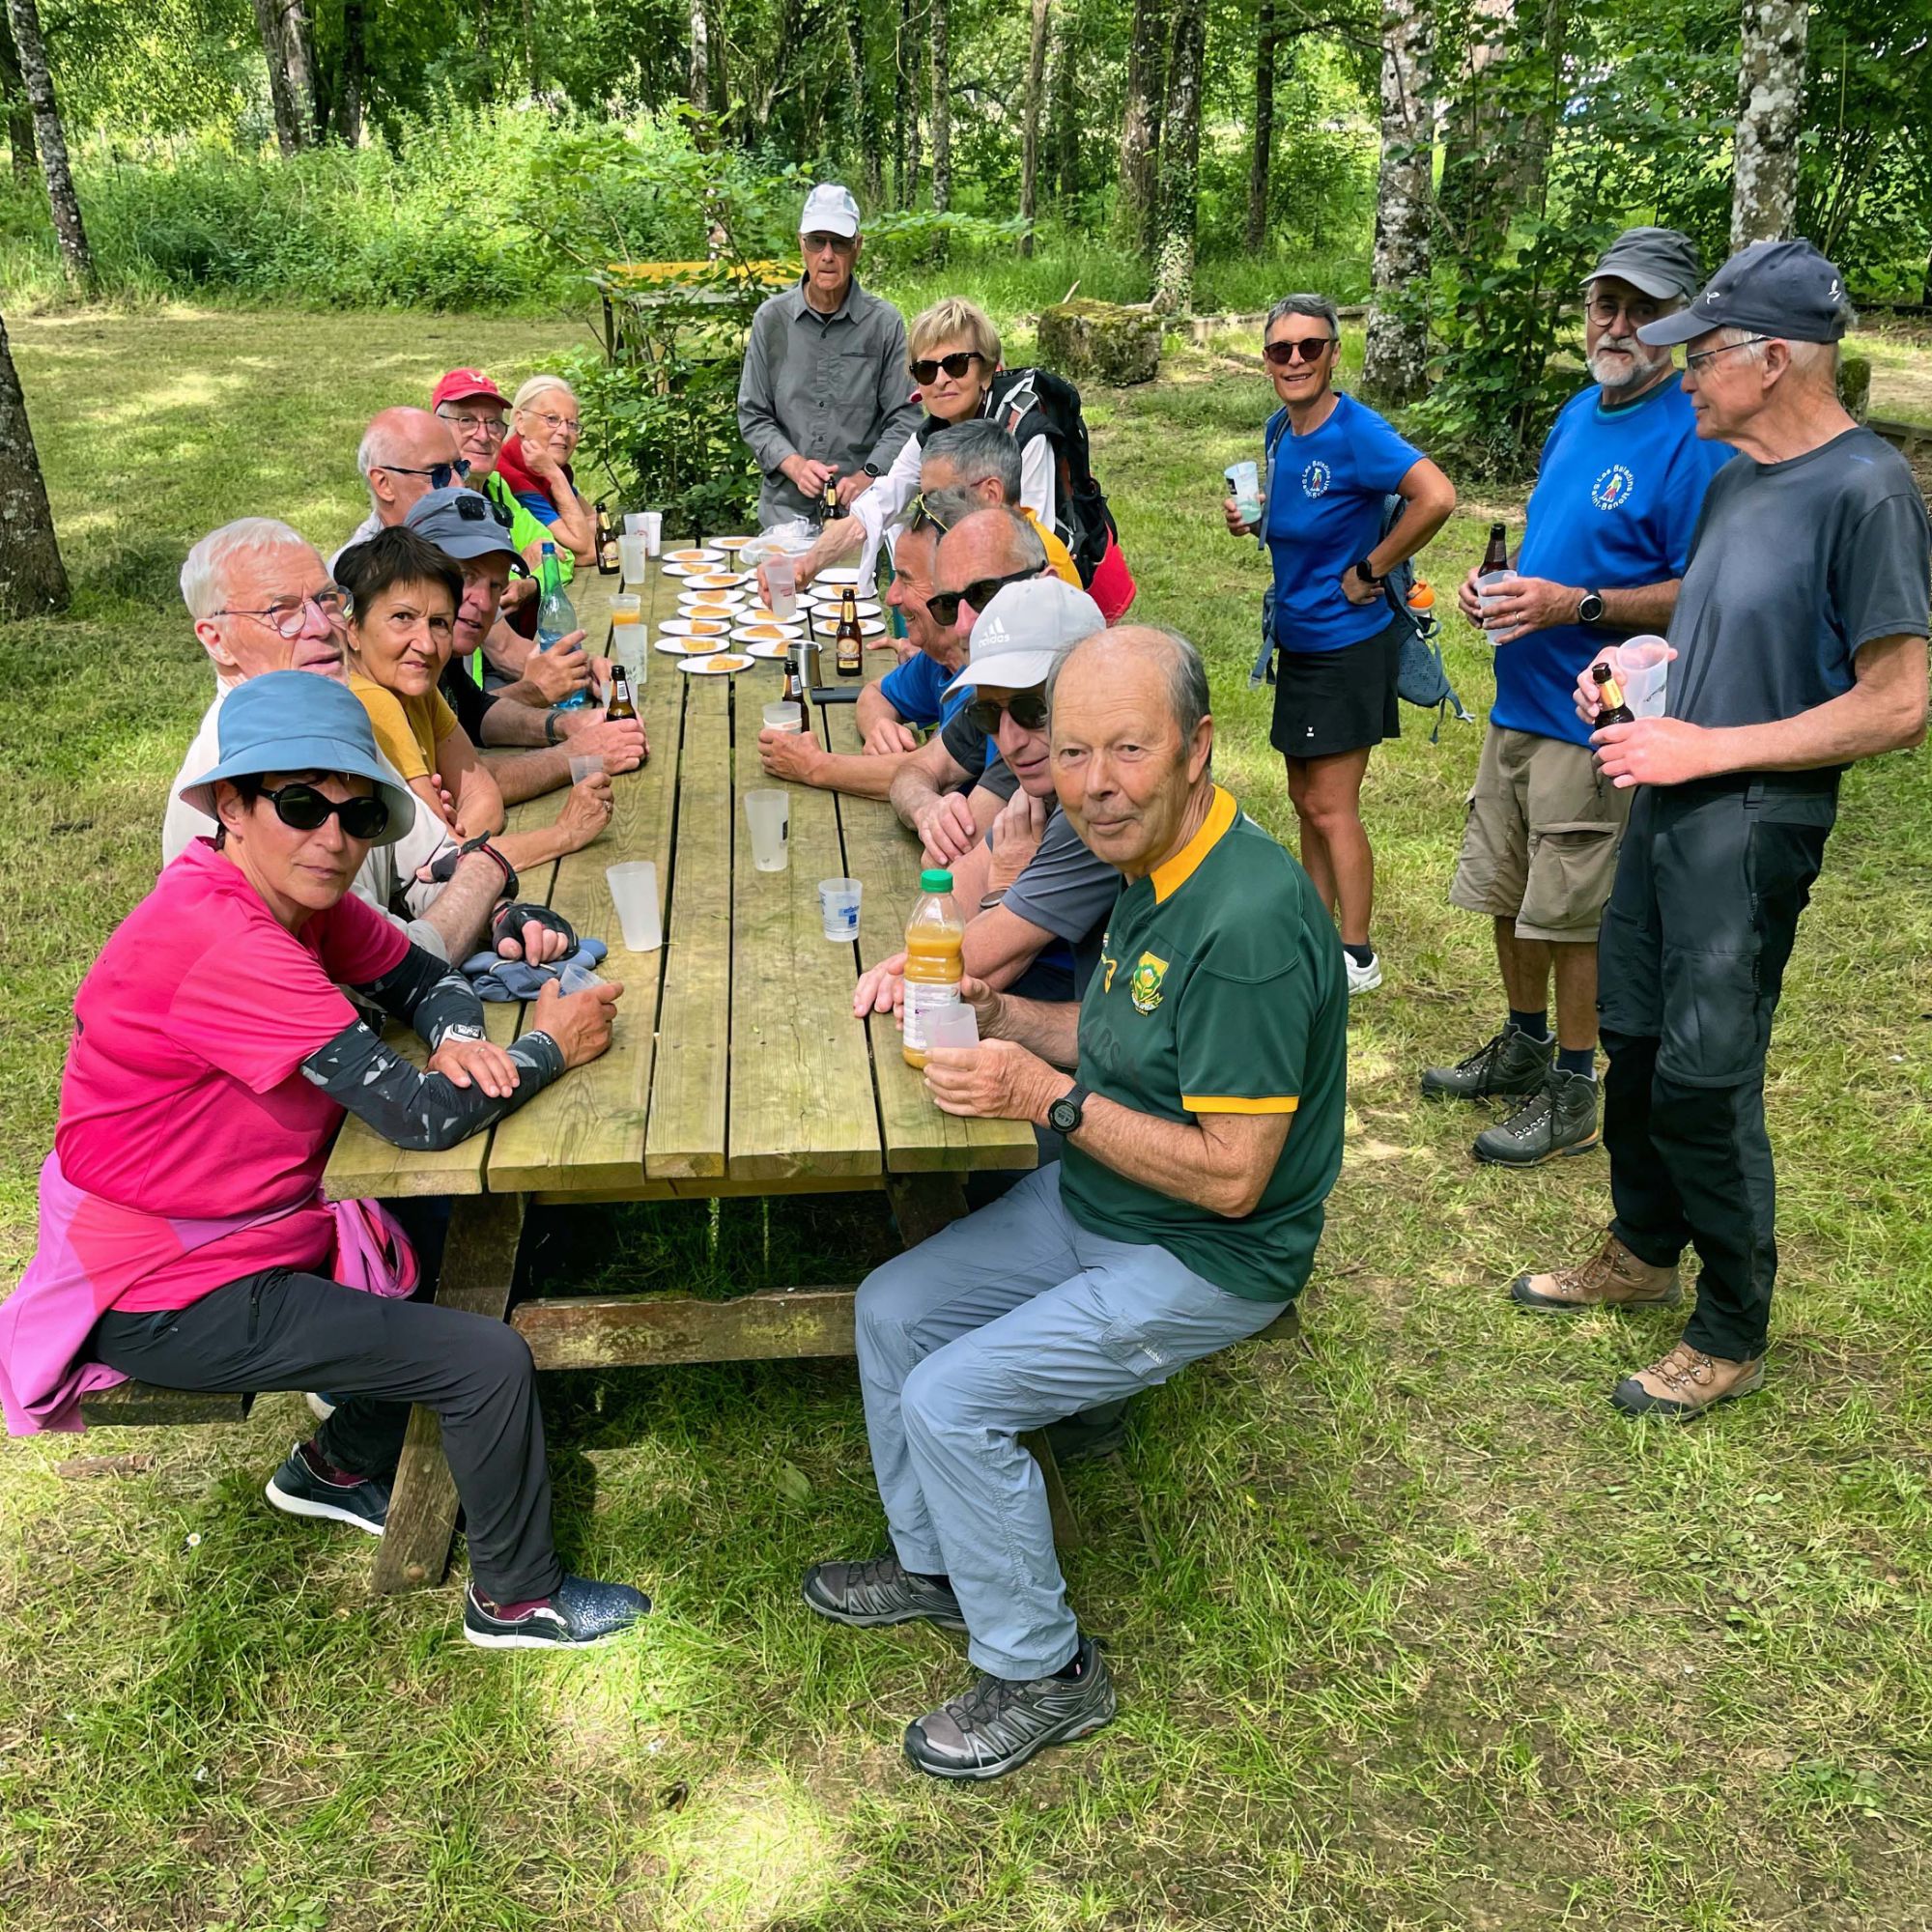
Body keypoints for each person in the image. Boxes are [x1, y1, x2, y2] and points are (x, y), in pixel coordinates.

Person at [0, 672, 648, 1650]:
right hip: (170, 1287)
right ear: (231, 806)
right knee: (482, 1356)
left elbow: (426, 976)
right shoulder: (223, 934)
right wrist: (547, 1047)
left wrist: (460, 1036)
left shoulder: (295, 897)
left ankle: (340, 1465)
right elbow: (422, 1119)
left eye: (357, 814)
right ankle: (517, 1599)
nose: (333, 836)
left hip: (243, 1231)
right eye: (301, 804)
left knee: (478, 1238)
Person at [802, 627, 1348, 1778]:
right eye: (1075, 750)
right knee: (890, 1307)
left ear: (1196, 747)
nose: (1096, 784)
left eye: (1128, 749)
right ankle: (935, 1562)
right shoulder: (1154, 860)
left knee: (952, 1398)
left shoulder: (1243, 920)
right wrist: (1004, 1020)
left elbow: (1233, 1173)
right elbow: (1117, 1036)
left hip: (1209, 1252)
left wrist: (1041, 1096)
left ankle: (1044, 1670)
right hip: (1106, 1198)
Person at [1510, 240, 1929, 1419]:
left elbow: (1897, 703)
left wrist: (1709, 748)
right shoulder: (1734, 477)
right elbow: (1717, 633)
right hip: (1665, 797)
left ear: (1774, 359)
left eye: (1700, 353)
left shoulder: (1866, 491)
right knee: (1636, 1040)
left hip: (1748, 825)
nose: (1680, 371)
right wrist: (1642, 670)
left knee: (1705, 1069)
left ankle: (1730, 1325)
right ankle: (1642, 1250)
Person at [1424, 229, 1734, 1165]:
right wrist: (1501, 586)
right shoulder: (1576, 411)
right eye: (1606, 304)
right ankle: (1523, 1044)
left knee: (1569, 910)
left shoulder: (1690, 435)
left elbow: (1700, 589)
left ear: (1680, 323)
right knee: (1506, 887)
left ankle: (1572, 1086)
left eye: (1643, 309)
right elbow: (1555, 542)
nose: (1618, 324)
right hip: (1517, 701)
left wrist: (1574, 604)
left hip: (1593, 715)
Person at [161, 518, 585, 966]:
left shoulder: (335, 718)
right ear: (217, 641)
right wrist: (486, 871)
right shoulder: (228, 785)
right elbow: (396, 966)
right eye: (282, 612)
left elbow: (433, 861)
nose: (320, 626)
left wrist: (499, 914)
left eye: (326, 600)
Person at [1227, 293, 1456, 995]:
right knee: (1305, 798)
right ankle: (1316, 934)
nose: (1295, 360)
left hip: (1348, 644)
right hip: (1299, 637)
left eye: (1310, 347)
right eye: (1281, 349)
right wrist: (1253, 520)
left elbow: (1437, 496)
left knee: (1332, 804)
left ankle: (1355, 954)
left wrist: (1372, 568)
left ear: (1333, 354)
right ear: (1267, 360)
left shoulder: (1357, 431)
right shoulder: (1281, 430)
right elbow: (1302, 517)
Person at [855, 578, 1115, 1009]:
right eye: (987, 714)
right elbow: (946, 894)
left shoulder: (1098, 797)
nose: (1009, 740)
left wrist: (1003, 888)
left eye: (1033, 710)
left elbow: (965, 970)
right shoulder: (1041, 776)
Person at [784, 299, 1061, 582]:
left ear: (987, 371)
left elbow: (1036, 549)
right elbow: (873, 510)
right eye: (926, 370)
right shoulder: (931, 436)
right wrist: (805, 567)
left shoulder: (1025, 433)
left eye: (956, 364)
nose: (940, 380)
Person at [405, 488, 642, 782]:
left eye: (496, 585)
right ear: (416, 568)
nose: (484, 601)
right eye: (466, 576)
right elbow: (461, 785)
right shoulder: (402, 656)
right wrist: (580, 755)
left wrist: (566, 725)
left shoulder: (440, 644)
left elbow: (472, 710)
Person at [736, 183, 923, 527]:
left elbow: (905, 415)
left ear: (857, 246)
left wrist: (868, 475)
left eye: (839, 243)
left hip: (862, 515)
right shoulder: (771, 320)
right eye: (816, 241)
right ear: (801, 244)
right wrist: (793, 465)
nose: (827, 255)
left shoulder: (884, 324)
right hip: (784, 514)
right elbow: (753, 413)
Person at [888, 501, 1059, 865]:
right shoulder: (1000, 691)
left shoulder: (1057, 700)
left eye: (983, 594)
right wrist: (926, 809)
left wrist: (812, 765)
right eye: (948, 605)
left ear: (1046, 585)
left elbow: (947, 867)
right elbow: (913, 771)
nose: (962, 626)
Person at [755, 507, 963, 800]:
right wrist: (880, 726)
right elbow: (875, 694)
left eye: (906, 579)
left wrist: (812, 765)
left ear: (954, 589)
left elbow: (931, 770)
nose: (891, 597)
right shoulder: (940, 655)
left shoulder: (984, 674)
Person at [429, 368, 568, 628]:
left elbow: (562, 558)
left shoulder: (495, 487)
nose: (483, 436)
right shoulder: (429, 499)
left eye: (493, 423)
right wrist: (520, 570)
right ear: (437, 429)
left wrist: (529, 584)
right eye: (467, 421)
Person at [337, 408, 469, 560]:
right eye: (439, 474)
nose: (459, 485)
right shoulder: (363, 571)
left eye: (460, 467)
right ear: (384, 484)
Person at [500, 376, 595, 564]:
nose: (564, 432)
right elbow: (587, 550)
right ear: (520, 422)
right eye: (552, 419)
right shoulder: (511, 475)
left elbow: (596, 520)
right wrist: (555, 475)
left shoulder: (544, 466)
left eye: (572, 424)